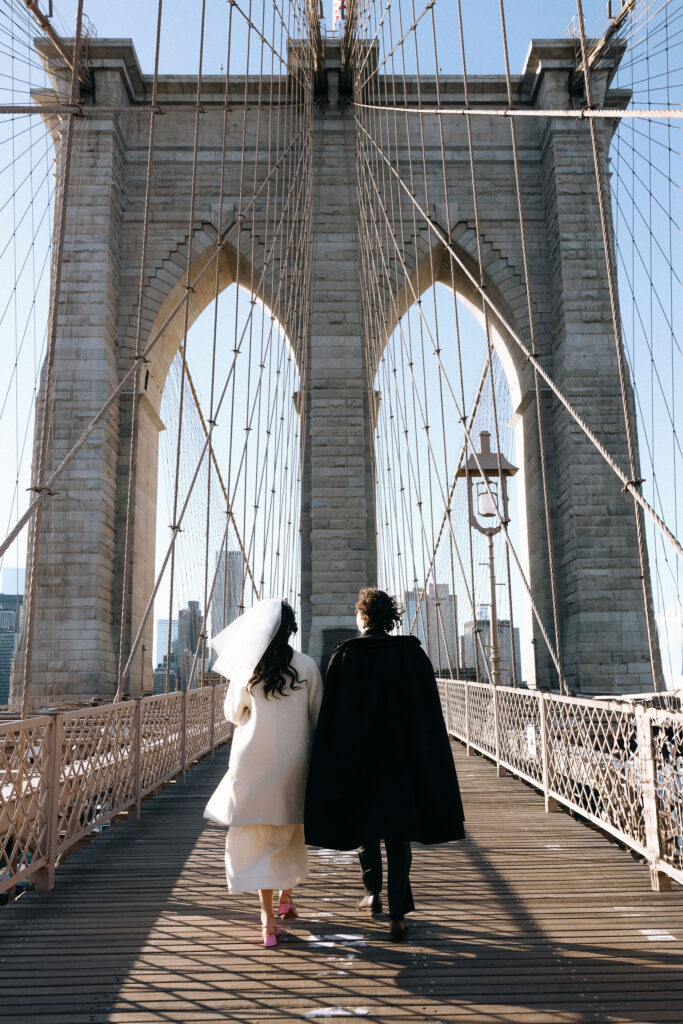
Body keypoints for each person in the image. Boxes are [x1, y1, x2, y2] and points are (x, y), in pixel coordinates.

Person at [304, 587, 465, 942]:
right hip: (402, 760)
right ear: (390, 619)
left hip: (360, 759)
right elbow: (428, 714)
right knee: (398, 834)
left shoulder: (344, 657)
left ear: (362, 618)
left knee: (366, 827)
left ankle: (372, 894)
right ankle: (398, 914)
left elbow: (333, 718)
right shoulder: (412, 655)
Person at [204, 598, 323, 948]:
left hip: (251, 763)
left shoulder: (247, 667)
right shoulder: (307, 666)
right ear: (290, 629)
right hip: (295, 762)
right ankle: (287, 897)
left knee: (257, 838)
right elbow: (318, 715)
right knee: (288, 829)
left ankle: (268, 921)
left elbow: (232, 714)